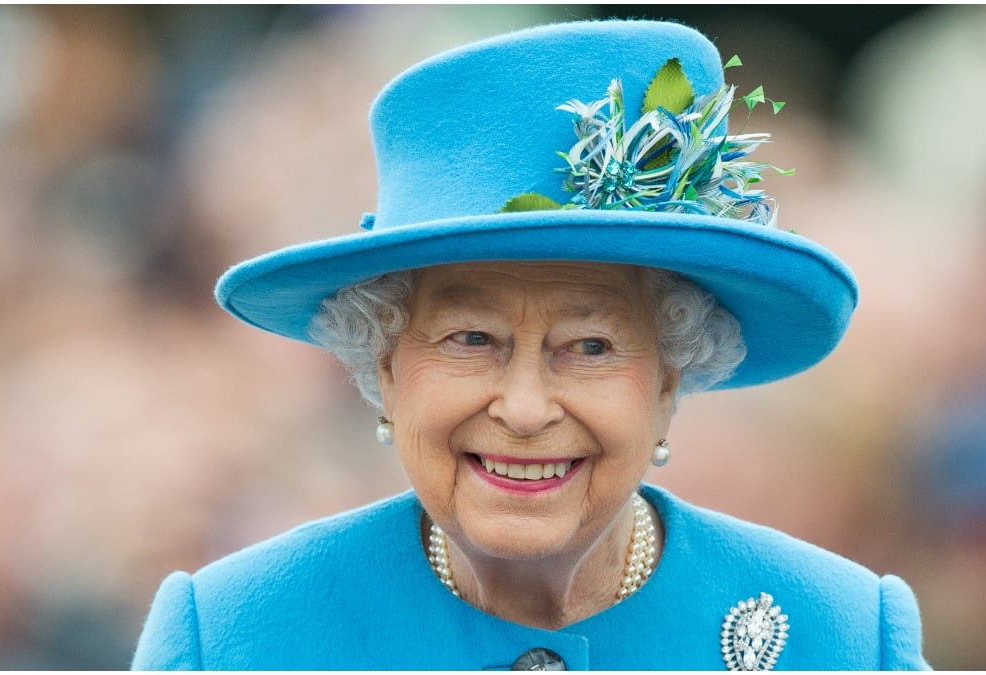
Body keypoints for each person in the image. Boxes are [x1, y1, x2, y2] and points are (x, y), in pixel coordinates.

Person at [132, 19, 930, 670]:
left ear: (668, 378)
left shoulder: (844, 639)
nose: (522, 407)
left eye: (588, 345)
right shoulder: (236, 636)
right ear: (384, 364)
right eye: (471, 338)